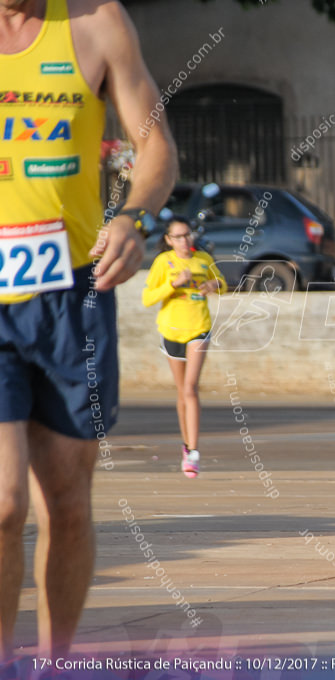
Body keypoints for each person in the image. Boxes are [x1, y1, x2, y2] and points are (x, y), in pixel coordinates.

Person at [0, 0, 177, 659]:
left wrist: (133, 216)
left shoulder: (97, 21)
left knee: (68, 501)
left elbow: (155, 145)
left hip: (71, 293)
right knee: (3, 503)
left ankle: (56, 666)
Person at [142, 216, 225, 478]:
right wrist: (172, 284)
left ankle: (194, 452)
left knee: (191, 388)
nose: (184, 240)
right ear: (168, 240)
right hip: (171, 330)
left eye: (187, 234)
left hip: (198, 328)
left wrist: (214, 284)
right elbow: (147, 297)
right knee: (181, 392)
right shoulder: (162, 262)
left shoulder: (203, 259)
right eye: (178, 236)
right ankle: (186, 446)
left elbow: (222, 284)